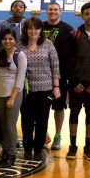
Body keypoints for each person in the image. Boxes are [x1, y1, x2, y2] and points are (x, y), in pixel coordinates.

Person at [18, 17, 60, 160]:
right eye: (30, 28)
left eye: (36, 28)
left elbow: (55, 66)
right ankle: (27, 148)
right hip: (26, 90)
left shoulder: (48, 44)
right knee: (26, 121)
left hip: (45, 89)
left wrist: (56, 86)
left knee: (42, 120)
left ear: (41, 30)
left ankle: (38, 149)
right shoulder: (19, 45)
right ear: (26, 30)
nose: (33, 31)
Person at [0, 28, 27, 166]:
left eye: (10, 39)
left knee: (10, 125)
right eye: (5, 39)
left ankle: (11, 154)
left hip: (13, 95)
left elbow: (20, 78)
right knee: (2, 125)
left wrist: (12, 97)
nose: (7, 41)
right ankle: (5, 152)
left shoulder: (20, 55)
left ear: (15, 40)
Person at [66, 2, 90, 160]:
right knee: (74, 114)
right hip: (77, 84)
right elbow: (69, 61)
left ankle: (88, 147)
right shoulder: (74, 34)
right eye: (87, 13)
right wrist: (74, 82)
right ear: (82, 15)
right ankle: (72, 146)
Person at [43, 2, 73, 150]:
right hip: (40, 76)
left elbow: (73, 54)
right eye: (50, 9)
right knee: (41, 108)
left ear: (60, 12)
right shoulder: (38, 27)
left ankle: (58, 136)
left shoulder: (68, 30)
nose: (53, 12)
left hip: (60, 76)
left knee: (59, 108)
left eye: (55, 10)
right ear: (46, 11)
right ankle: (43, 134)